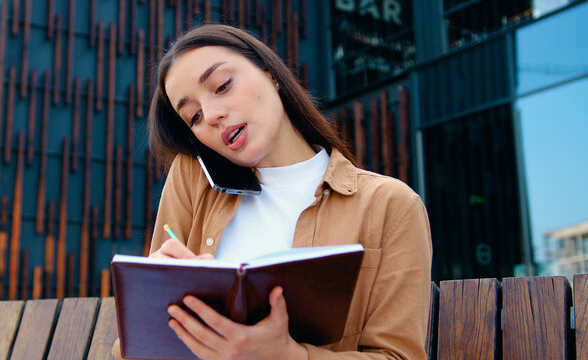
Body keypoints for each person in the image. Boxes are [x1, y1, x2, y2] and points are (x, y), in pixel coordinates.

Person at [113, 24, 432, 360]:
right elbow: (132, 349)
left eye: (221, 86)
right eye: (192, 117)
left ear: (271, 74)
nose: (211, 115)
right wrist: (150, 305)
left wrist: (287, 356)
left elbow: (400, 355)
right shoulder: (193, 177)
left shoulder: (390, 206)